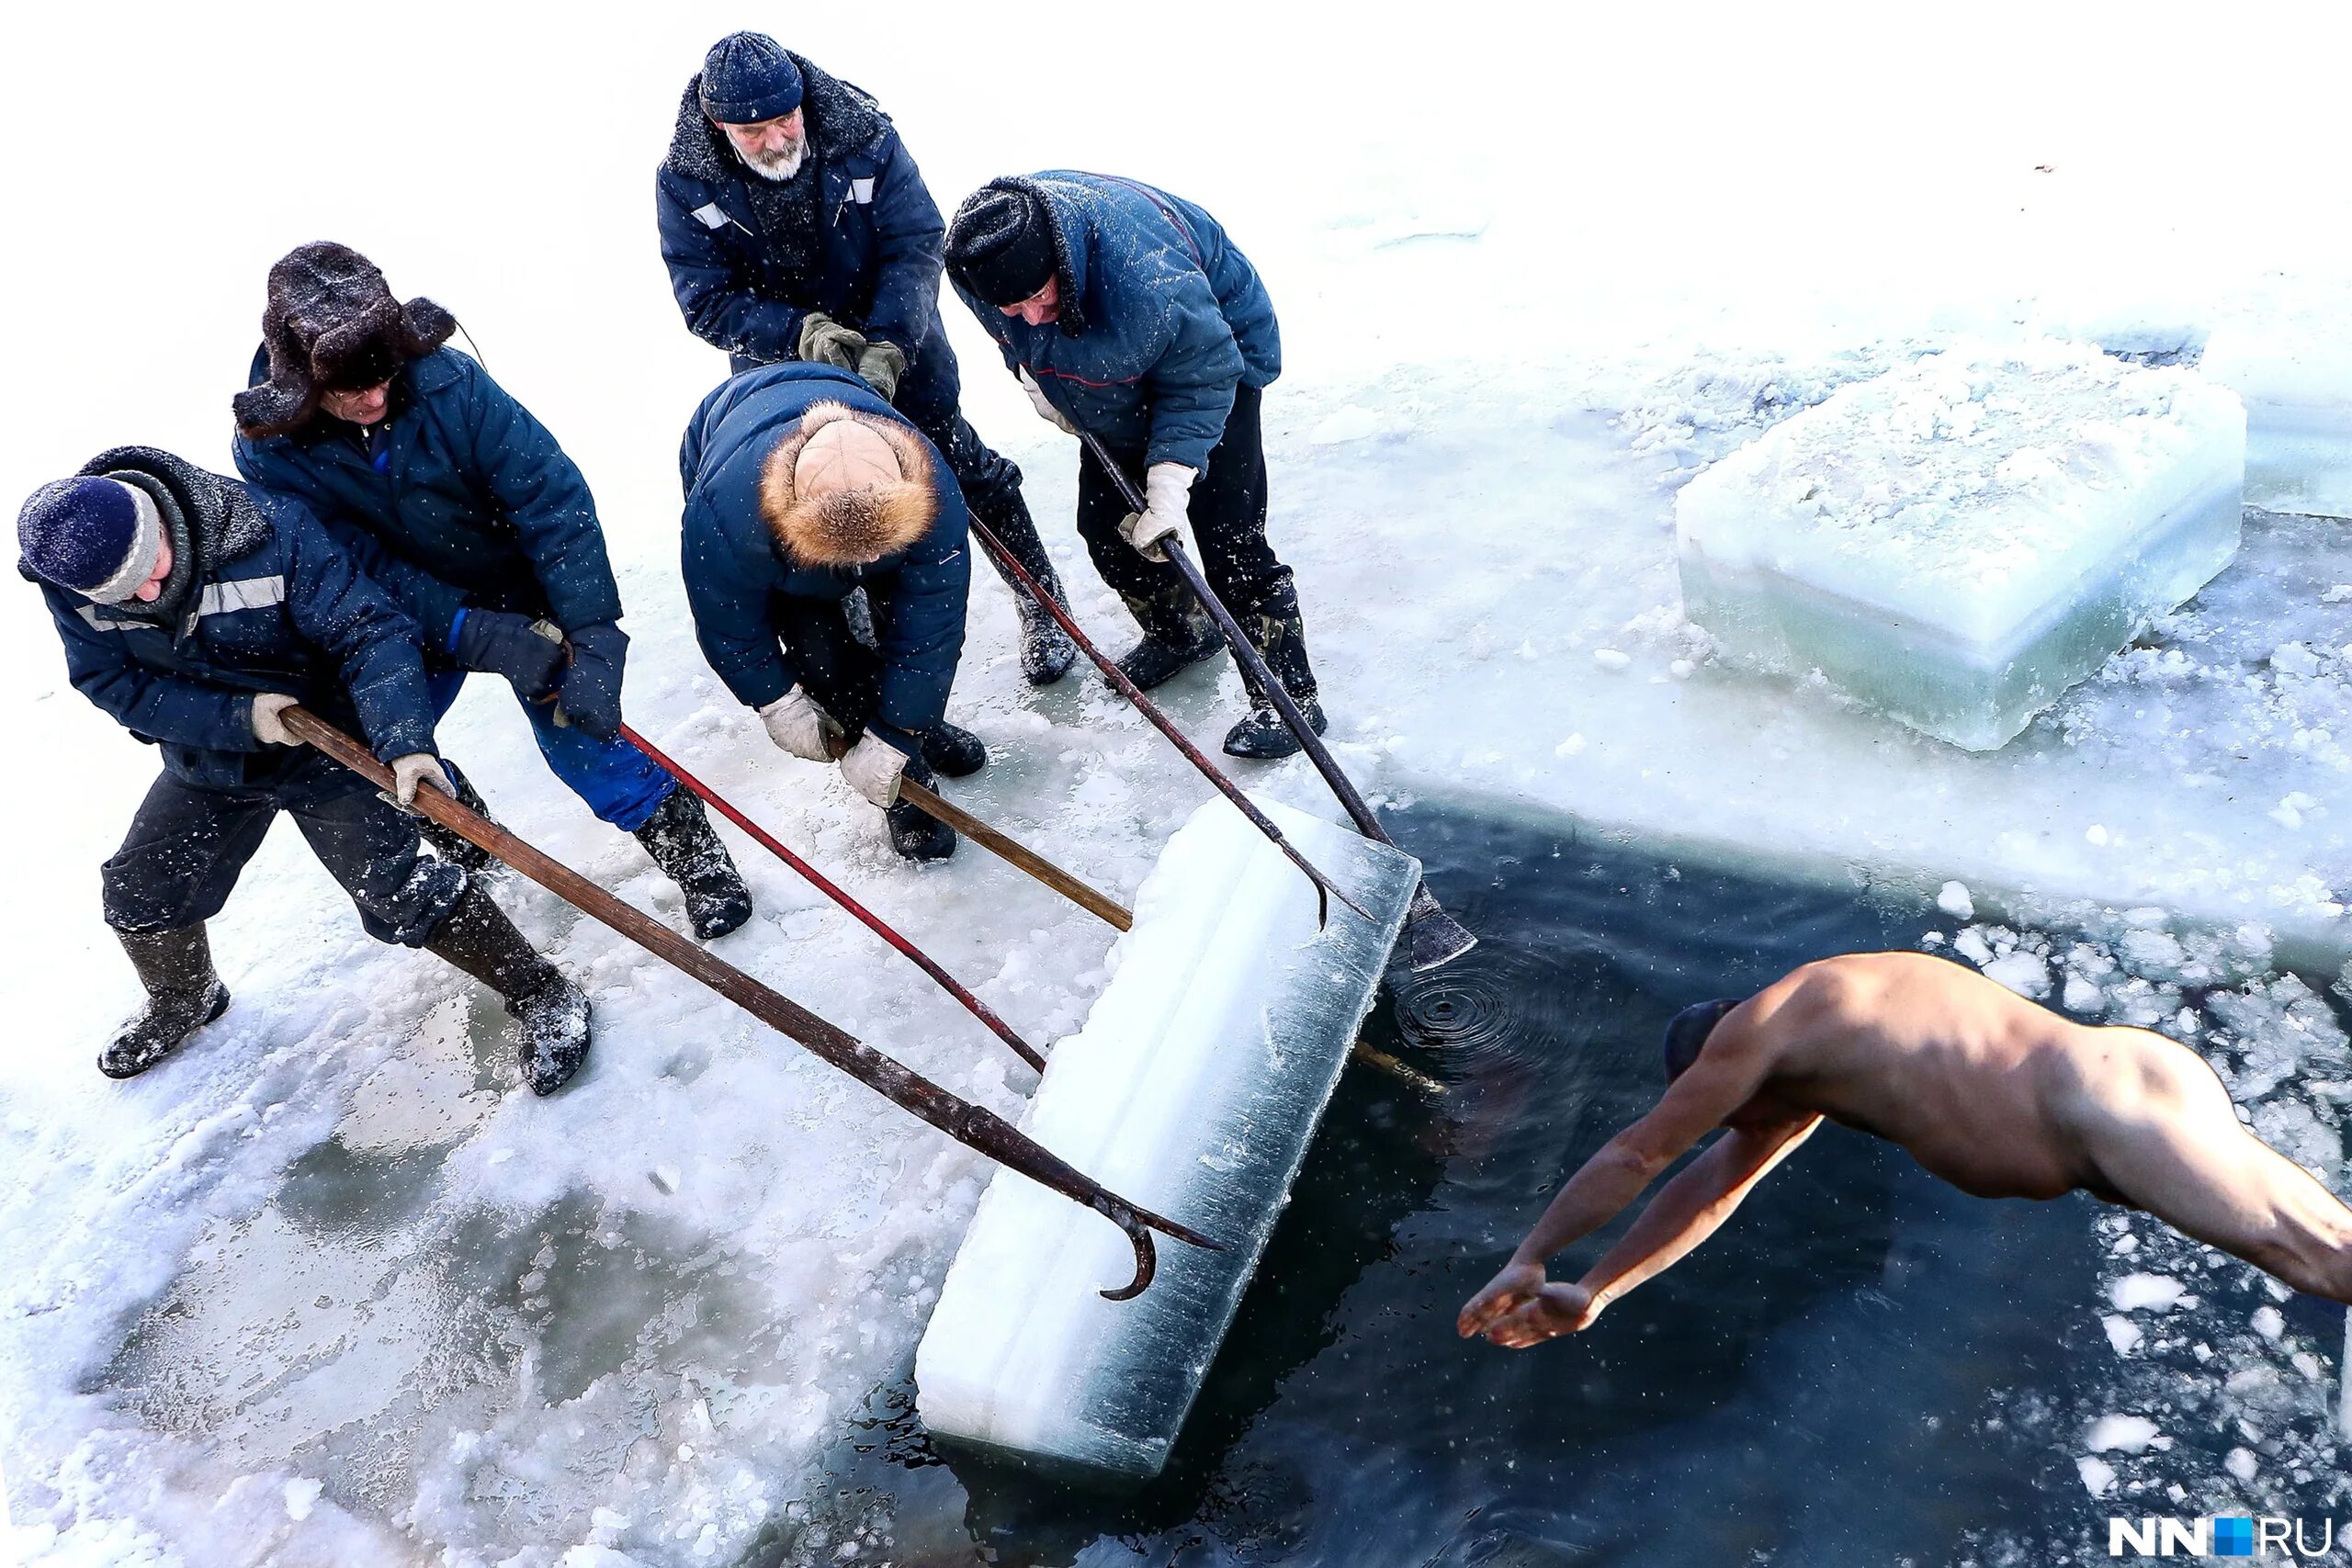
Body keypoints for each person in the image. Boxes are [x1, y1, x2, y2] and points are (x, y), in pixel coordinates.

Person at [18, 447, 591, 1093]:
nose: (147, 594)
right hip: (211, 754)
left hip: (332, 739)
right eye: (125, 594)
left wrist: (402, 739)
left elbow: (370, 632)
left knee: (396, 886)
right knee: (140, 889)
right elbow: (110, 679)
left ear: (157, 521)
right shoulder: (73, 575)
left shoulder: (265, 531)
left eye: (152, 569)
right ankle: (187, 997)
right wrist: (239, 718)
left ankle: (541, 990)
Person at [229, 241, 753, 942]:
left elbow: (551, 500)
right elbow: (347, 565)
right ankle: (481, 856)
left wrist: (591, 630)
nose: (375, 396)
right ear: (302, 381)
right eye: (350, 389)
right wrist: (464, 630)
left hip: (513, 585)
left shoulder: (450, 385)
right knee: (391, 746)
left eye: (384, 375)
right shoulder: (269, 447)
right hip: (388, 622)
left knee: (584, 736)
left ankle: (697, 859)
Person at [1458, 951, 2352, 1347]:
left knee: (2315, 1259)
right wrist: (1597, 1289)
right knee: (2324, 1239)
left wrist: (1532, 1254)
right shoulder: (1814, 1075)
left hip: (2101, 1108)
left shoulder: (1773, 1023)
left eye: (1727, 1108)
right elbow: (1709, 1193)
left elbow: (1643, 1156)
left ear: (1716, 1065)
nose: (1739, 1128)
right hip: (2123, 1090)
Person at [654, 31, 1077, 688]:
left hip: (900, 347)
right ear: (717, 124)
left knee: (959, 466)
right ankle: (870, 658)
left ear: (802, 100)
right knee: (827, 506)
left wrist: (888, 343)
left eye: (784, 120)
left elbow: (915, 241)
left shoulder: (864, 137)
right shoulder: (687, 183)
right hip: (786, 378)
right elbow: (705, 299)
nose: (774, 140)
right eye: (752, 131)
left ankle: (1042, 600)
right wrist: (802, 335)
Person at [944, 172, 1321, 760]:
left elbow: (1206, 375)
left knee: (1232, 544)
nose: (1031, 315)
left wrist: (1170, 482)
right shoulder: (979, 267)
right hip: (1111, 362)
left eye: (1040, 295)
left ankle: (1289, 696)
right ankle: (1184, 632)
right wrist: (1038, 380)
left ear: (1062, 266)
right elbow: (1019, 331)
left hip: (1215, 368)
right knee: (1108, 528)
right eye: (1012, 306)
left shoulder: (1148, 286)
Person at [678, 362, 984, 863]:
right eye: (850, 556)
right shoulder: (725, 519)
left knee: (898, 618)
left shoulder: (929, 485)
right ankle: (907, 791)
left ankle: (910, 734)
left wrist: (901, 729)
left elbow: (933, 621)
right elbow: (731, 626)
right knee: (822, 655)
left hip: (838, 402)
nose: (863, 566)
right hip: (731, 446)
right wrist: (776, 700)